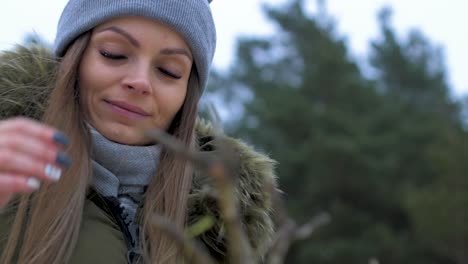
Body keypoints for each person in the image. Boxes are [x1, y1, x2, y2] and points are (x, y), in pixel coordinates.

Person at [0, 0, 277, 263]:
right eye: (113, 53)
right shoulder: (7, 169)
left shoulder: (220, 232)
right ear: (74, 58)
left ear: (187, 94)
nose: (140, 82)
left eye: (168, 71)